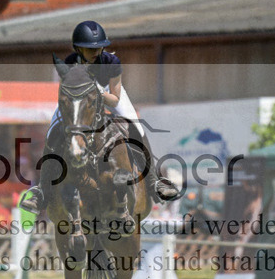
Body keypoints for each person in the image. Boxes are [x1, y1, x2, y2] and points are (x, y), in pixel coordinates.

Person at [21, 20, 179, 214]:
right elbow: (66, 91)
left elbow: (114, 98)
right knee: (53, 130)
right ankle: (42, 192)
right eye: (90, 49)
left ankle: (155, 183)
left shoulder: (111, 63)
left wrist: (96, 94)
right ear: (78, 48)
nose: (96, 52)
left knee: (136, 127)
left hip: (107, 95)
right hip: (79, 99)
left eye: (99, 47)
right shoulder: (70, 62)